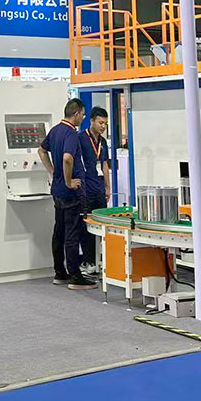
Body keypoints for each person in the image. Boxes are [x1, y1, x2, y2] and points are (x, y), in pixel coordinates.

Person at [37, 97, 94, 289]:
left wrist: (52, 171)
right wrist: (69, 181)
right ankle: (75, 276)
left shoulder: (54, 131)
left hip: (58, 191)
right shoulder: (71, 133)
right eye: (83, 115)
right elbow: (68, 158)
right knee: (72, 234)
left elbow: (41, 151)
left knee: (59, 232)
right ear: (76, 114)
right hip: (71, 193)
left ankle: (60, 273)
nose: (83, 118)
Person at [77, 107, 110, 277]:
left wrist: (108, 187)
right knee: (86, 227)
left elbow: (104, 164)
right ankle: (88, 260)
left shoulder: (103, 142)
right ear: (91, 121)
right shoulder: (80, 139)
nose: (103, 126)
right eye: (100, 122)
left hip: (99, 189)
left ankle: (101, 260)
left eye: (105, 123)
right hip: (86, 189)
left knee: (102, 225)